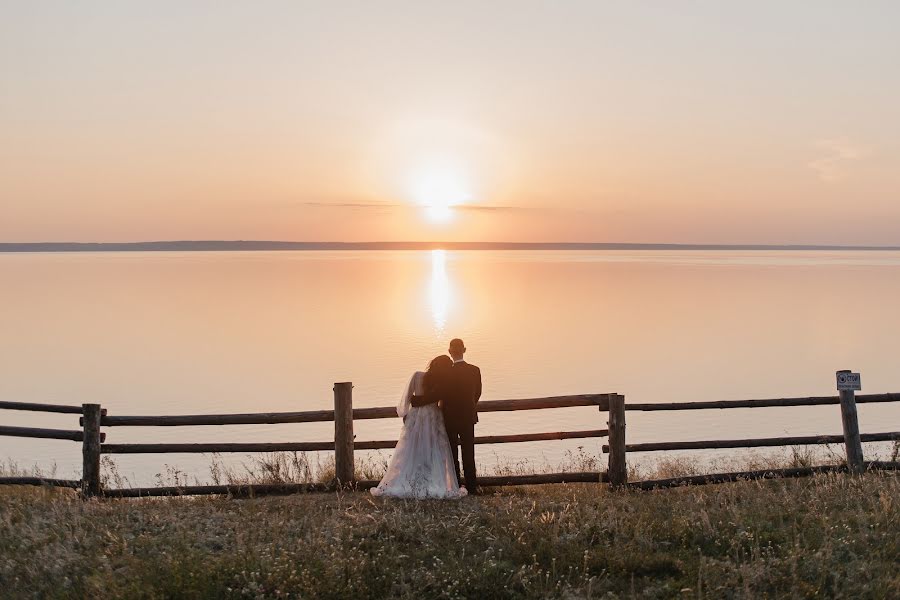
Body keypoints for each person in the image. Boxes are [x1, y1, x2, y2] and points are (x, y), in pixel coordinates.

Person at [369, 355, 467, 499]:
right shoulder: (442, 381)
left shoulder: (417, 375)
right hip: (433, 416)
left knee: (411, 448)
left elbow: (407, 398)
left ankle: (409, 481)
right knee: (434, 449)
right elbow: (442, 402)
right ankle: (430, 482)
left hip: (416, 417)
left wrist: (407, 413)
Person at [442, 338, 481, 493]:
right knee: (468, 452)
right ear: (464, 350)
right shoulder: (474, 370)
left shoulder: (446, 372)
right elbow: (477, 393)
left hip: (449, 417)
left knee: (452, 453)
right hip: (467, 416)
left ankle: (455, 485)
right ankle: (471, 486)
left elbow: (442, 394)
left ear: (450, 352)